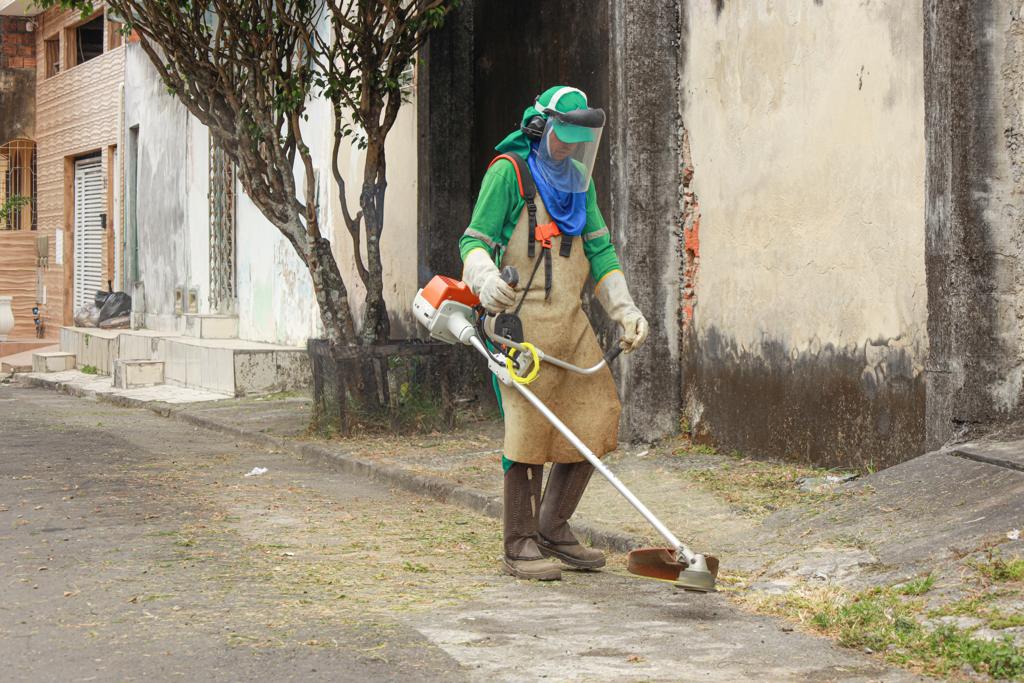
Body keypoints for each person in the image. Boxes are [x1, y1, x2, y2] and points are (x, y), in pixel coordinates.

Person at [459, 85, 650, 581]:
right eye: (562, 138)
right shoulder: (509, 172)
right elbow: (474, 241)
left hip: (570, 321)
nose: (568, 148)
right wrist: (484, 282)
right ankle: (518, 540)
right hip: (517, 324)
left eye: (577, 141)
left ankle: (552, 525)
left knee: (596, 415)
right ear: (540, 129)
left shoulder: (579, 185)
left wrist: (624, 310)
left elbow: (601, 253)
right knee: (528, 428)